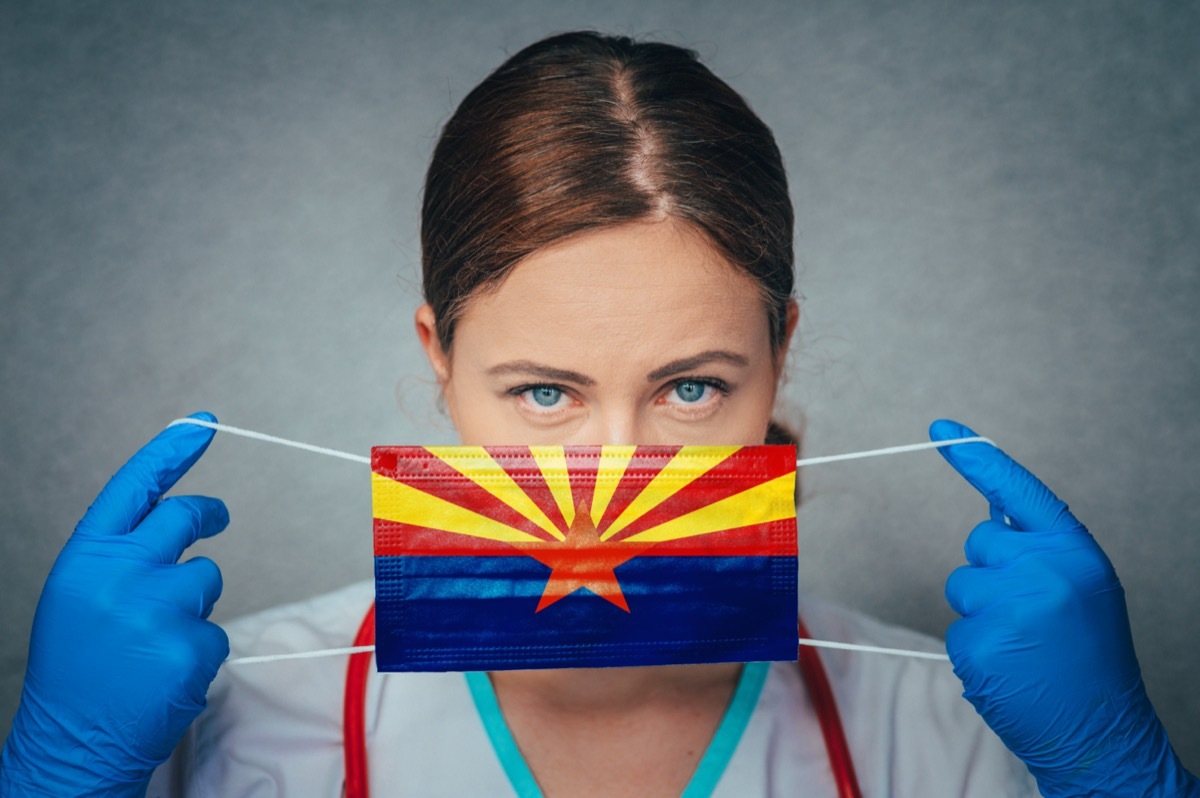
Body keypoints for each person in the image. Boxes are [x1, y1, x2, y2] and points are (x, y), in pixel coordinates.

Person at [1, 30, 1195, 798]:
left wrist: (1117, 781)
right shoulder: (222, 718)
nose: (618, 468)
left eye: (692, 388)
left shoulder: (960, 727)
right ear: (440, 359)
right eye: (543, 392)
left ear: (776, 358)